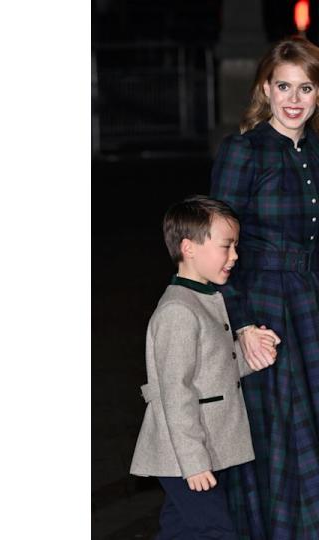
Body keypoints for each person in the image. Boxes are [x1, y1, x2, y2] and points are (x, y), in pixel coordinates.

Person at [210, 37, 319, 539]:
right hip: (264, 310)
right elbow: (219, 247)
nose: (293, 99)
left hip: (317, 312)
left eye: (305, 87)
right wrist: (240, 324)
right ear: (266, 87)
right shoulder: (243, 151)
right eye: (283, 85)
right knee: (281, 442)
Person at [130, 195, 282, 539]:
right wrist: (194, 462)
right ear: (190, 248)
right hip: (182, 454)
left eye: (236, 246)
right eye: (226, 246)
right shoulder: (178, 312)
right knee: (217, 531)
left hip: (203, 448)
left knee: (180, 529)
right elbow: (175, 392)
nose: (235, 256)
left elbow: (213, 368)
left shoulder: (206, 298)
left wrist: (252, 356)